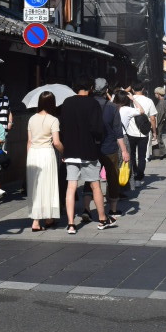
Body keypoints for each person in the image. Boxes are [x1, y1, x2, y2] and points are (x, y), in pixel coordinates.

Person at [59, 74, 113, 233]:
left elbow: (63, 126)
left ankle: (70, 224)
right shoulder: (93, 103)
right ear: (90, 88)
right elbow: (97, 129)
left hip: (70, 150)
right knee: (95, 185)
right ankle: (102, 219)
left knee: (71, 186)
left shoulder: (67, 103)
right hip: (88, 150)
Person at [92, 78, 129, 218]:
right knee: (112, 177)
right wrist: (124, 150)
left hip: (91, 147)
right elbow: (118, 131)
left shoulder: (88, 104)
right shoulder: (112, 107)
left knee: (90, 177)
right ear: (106, 90)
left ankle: (87, 209)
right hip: (110, 147)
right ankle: (113, 209)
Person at [26, 91, 63, 232]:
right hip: (47, 154)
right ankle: (49, 217)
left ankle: (35, 221)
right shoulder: (53, 120)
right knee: (48, 185)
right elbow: (57, 142)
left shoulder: (31, 119)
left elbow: (29, 142)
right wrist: (64, 152)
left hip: (33, 154)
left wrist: (28, 158)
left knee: (35, 187)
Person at [153, 87, 166, 159]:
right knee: (159, 137)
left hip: (159, 122)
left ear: (158, 94)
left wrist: (155, 123)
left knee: (158, 137)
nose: (155, 95)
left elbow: (160, 114)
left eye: (155, 93)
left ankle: (162, 153)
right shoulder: (164, 102)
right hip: (161, 121)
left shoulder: (161, 103)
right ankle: (161, 153)